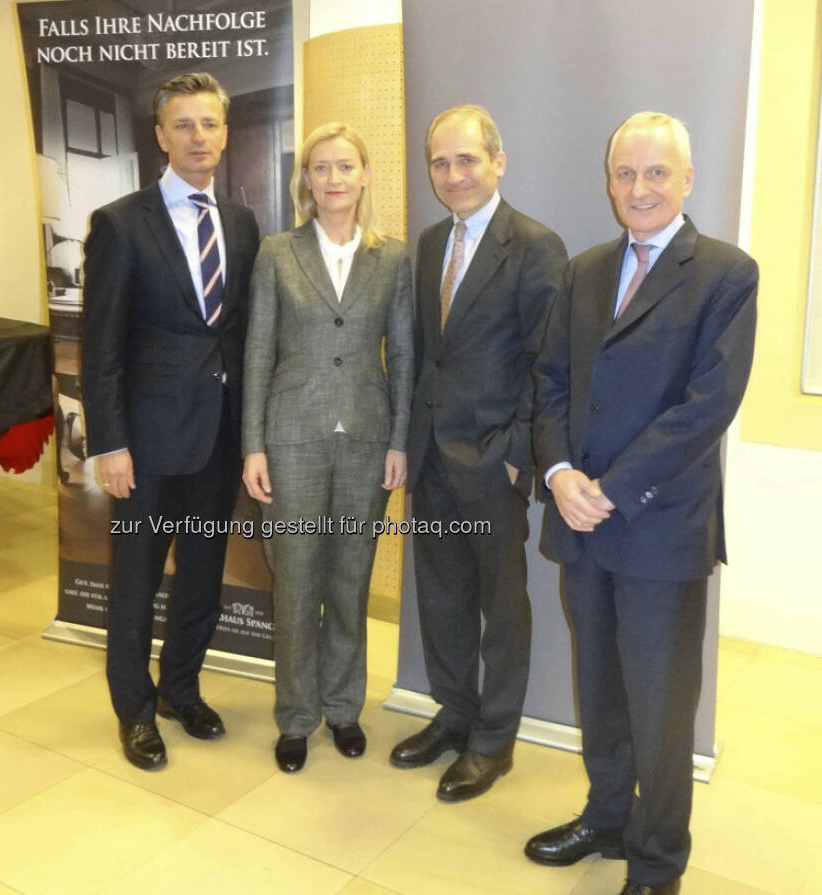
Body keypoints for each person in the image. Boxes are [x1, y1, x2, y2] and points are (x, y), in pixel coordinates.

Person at [525, 112, 757, 895]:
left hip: (658, 528)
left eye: (656, 173)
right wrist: (557, 472)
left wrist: (611, 491)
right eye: (625, 173)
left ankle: (658, 864)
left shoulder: (726, 273)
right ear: (609, 180)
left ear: (686, 179)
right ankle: (606, 817)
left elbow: (706, 405)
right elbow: (549, 382)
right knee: (600, 688)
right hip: (581, 523)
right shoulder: (584, 269)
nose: (639, 188)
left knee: (660, 709)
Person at [80, 72, 259, 771]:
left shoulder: (241, 223)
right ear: (160, 136)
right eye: (183, 125)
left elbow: (239, 333)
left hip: (219, 438)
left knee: (203, 577)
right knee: (135, 580)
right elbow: (102, 346)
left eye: (209, 124)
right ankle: (135, 708)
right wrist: (112, 442)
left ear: (225, 131)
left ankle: (181, 687)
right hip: (148, 445)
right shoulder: (122, 224)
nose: (198, 138)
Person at [389, 105, 567, 802]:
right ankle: (454, 713)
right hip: (431, 457)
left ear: (499, 161)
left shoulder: (534, 246)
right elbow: (424, 356)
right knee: (441, 595)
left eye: (467, 159)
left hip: (493, 463)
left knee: (502, 603)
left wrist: (516, 454)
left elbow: (548, 363)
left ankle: (494, 740)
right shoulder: (430, 243)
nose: (453, 174)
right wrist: (406, 444)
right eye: (441, 162)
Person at [242, 122, 413, 774]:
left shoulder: (391, 258)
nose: (334, 178)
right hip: (291, 439)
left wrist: (399, 440)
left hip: (367, 443)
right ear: (306, 180)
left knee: (349, 581)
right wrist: (252, 446)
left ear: (365, 174)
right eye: (321, 167)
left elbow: (403, 355)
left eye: (346, 166)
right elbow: (258, 352)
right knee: (296, 584)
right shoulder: (277, 253)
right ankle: (295, 717)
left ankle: (343, 708)